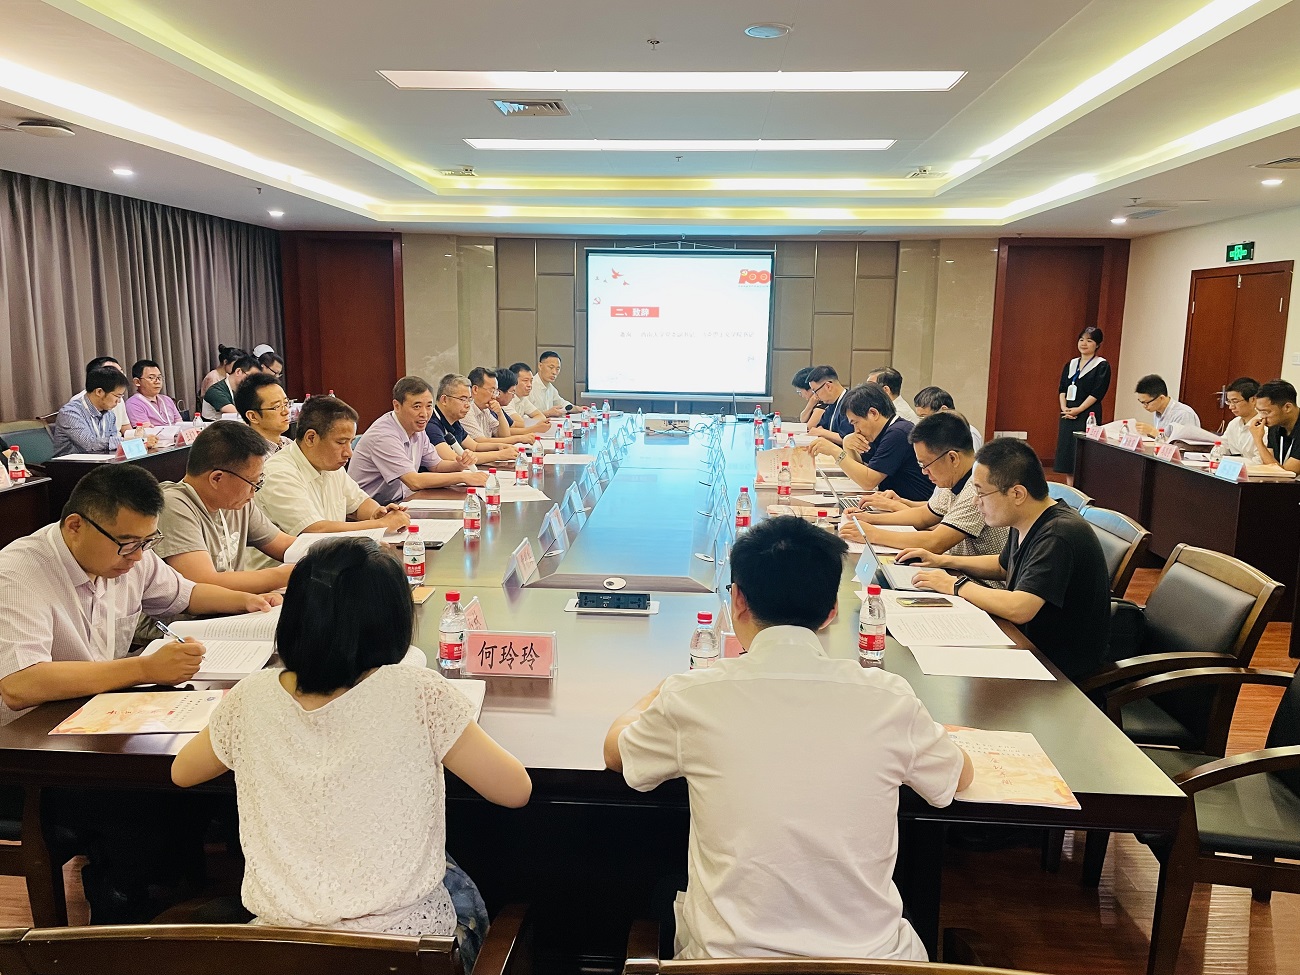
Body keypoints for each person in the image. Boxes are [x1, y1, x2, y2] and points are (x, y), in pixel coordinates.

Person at [603, 515, 972, 961]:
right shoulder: (890, 697)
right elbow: (957, 777)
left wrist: (659, 692)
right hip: (870, 965)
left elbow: (617, 752)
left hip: (725, 966)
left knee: (663, 892)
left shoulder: (692, 696)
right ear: (832, 611)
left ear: (737, 599)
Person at [172, 538, 532, 971]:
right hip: (405, 955)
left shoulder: (250, 696)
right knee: (461, 884)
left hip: (283, 955)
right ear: (394, 621)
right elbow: (515, 790)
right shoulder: (419, 692)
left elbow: (182, 772)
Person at [0, 463, 276, 724]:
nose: (138, 556)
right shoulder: (17, 574)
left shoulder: (130, 553)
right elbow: (20, 684)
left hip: (100, 708)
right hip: (31, 730)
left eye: (147, 542)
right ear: (75, 526)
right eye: (128, 543)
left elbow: (185, 594)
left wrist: (246, 601)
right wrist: (144, 669)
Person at [898, 438, 1111, 682]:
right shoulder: (1027, 518)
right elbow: (1002, 566)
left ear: (1017, 493)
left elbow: (1019, 608)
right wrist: (943, 561)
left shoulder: (1058, 534)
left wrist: (954, 585)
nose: (976, 502)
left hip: (1057, 669)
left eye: (981, 493)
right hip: (1025, 644)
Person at [839, 412, 1008, 578]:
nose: (924, 472)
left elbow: (935, 542)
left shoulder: (976, 488)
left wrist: (872, 534)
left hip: (980, 582)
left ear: (952, 458)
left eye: (925, 464)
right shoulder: (954, 478)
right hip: (957, 572)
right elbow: (924, 516)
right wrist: (869, 518)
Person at [156, 422, 297, 595]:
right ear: (217, 478)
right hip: (201, 611)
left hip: (234, 605)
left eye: (259, 481)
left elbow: (283, 544)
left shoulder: (235, 501)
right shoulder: (173, 505)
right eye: (252, 482)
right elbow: (202, 582)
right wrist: (286, 575)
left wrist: (325, 550)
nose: (254, 491)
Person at [256, 396, 411, 536]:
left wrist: (380, 513)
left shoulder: (331, 465)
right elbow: (313, 530)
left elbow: (359, 503)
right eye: (341, 442)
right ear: (311, 438)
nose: (349, 453)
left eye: (350, 442)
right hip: (292, 558)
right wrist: (381, 525)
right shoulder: (279, 473)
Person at [349, 377, 489, 505]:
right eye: (417, 406)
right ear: (397, 406)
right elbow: (414, 481)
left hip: (401, 502)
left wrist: (459, 464)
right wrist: (463, 477)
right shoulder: (384, 435)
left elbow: (436, 465)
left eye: (428, 406)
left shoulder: (417, 428)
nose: (424, 414)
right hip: (370, 510)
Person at [806, 383, 932, 501]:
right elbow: (858, 474)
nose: (856, 430)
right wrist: (847, 445)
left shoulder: (898, 433)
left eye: (856, 422)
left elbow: (868, 482)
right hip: (892, 502)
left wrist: (835, 451)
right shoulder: (882, 431)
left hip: (913, 507)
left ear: (873, 413)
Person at [53, 366, 157, 456]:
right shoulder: (70, 413)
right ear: (99, 392)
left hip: (101, 462)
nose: (119, 401)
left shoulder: (110, 414)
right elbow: (89, 444)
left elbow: (113, 444)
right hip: (70, 466)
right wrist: (131, 441)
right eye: (117, 396)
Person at [1053, 327, 1110, 480]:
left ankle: (1082, 491)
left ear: (1097, 345)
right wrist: (1064, 408)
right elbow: (1062, 388)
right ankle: (1070, 488)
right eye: (1081, 339)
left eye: (1089, 340)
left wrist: (1079, 409)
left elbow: (1097, 393)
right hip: (1068, 413)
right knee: (1067, 457)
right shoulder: (1071, 364)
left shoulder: (1101, 365)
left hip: (1087, 413)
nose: (1084, 343)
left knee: (1083, 457)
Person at [425, 374, 516, 464]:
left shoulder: (454, 421)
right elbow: (455, 458)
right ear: (444, 400)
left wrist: (500, 446)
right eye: (463, 399)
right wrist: (500, 455)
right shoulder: (431, 425)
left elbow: (475, 446)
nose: (468, 405)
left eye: (469, 400)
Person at [459, 367, 534, 445]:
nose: (494, 396)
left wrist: (500, 413)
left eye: (496, 391)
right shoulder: (467, 410)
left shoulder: (485, 410)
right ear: (475, 389)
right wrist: (518, 438)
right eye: (491, 391)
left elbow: (504, 435)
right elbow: (480, 441)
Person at [64, 356, 131, 434]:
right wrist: (120, 440)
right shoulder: (72, 410)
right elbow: (89, 441)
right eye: (111, 372)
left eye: (121, 372)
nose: (120, 376)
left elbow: (117, 433)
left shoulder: (109, 412)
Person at [1249, 379, 1300, 472]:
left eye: (1266, 412)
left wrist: (1258, 441)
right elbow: (1269, 465)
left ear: (1287, 407)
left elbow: (1286, 475)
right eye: (1259, 411)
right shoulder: (1275, 425)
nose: (1262, 417)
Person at [234, 372, 293, 451]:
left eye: (286, 403)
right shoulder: (250, 455)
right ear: (253, 417)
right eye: (277, 406)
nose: (286, 411)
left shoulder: (289, 444)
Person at [912, 386, 983, 450]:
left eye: (924, 416)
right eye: (919, 417)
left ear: (944, 410)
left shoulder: (969, 433)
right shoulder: (931, 434)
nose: (921, 422)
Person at [1134, 374, 1200, 438]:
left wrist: (1153, 432)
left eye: (1146, 403)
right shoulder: (1158, 411)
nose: (1144, 406)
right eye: (1142, 402)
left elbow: (1183, 444)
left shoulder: (1183, 414)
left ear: (1161, 398)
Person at [125, 359, 183, 428]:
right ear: (137, 382)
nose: (157, 381)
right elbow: (145, 431)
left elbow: (180, 424)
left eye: (159, 377)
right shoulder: (133, 404)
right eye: (151, 378)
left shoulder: (167, 400)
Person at [203, 354, 261, 420]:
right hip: (214, 425)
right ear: (238, 372)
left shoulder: (243, 389)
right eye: (250, 377)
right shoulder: (215, 391)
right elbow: (238, 413)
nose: (253, 381)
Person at [805, 365, 853, 444]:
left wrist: (822, 432)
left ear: (828, 386)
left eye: (815, 391)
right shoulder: (831, 403)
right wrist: (821, 431)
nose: (815, 396)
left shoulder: (851, 403)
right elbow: (821, 426)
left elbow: (848, 439)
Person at [1221, 377, 1263, 464]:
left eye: (1235, 401)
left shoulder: (1264, 426)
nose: (1231, 407)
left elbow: (1259, 462)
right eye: (1229, 402)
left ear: (1253, 400)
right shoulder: (1234, 423)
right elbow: (1222, 447)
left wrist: (1226, 460)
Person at [495, 368, 549, 435]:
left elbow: (516, 425)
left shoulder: (520, 398)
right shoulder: (496, 407)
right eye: (525, 380)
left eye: (531, 381)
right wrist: (535, 428)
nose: (529, 385)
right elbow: (504, 433)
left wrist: (535, 426)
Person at [530, 351, 572, 418]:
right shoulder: (529, 387)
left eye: (557, 369)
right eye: (551, 367)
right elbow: (523, 417)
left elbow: (562, 403)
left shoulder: (551, 388)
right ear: (540, 366)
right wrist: (548, 413)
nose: (554, 372)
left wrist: (579, 408)